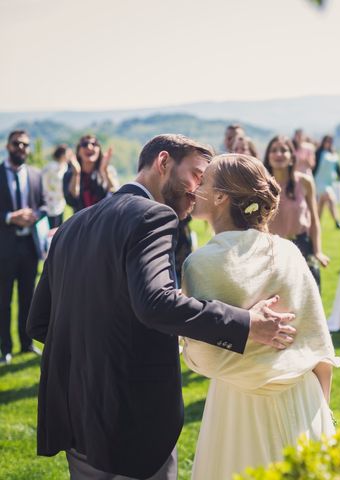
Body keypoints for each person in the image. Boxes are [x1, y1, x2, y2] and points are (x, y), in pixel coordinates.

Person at [26, 134, 297, 479]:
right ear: (164, 162)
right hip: (134, 418)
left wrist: (95, 364)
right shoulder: (152, 216)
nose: (199, 190)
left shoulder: (72, 225)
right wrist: (246, 324)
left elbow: (39, 322)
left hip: (77, 415)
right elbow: (155, 303)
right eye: (197, 174)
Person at [182, 153, 340, 480]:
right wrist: (322, 413)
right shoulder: (288, 251)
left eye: (204, 181)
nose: (195, 187)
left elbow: (201, 356)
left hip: (237, 410)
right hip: (302, 398)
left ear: (221, 197)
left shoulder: (199, 264)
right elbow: (319, 345)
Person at [0, 130, 45, 365]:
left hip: (29, 247)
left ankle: (26, 344)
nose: (22, 148)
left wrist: (34, 215)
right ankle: (4, 348)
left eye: (26, 145)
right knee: (3, 300)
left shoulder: (36, 175)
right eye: (17, 144)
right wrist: (10, 216)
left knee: (28, 298)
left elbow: (46, 205)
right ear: (8, 146)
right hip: (4, 247)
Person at [265, 135, 329, 291]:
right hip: (272, 251)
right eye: (274, 150)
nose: (279, 154)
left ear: (292, 157)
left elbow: (314, 220)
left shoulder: (305, 182)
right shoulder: (261, 186)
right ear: (267, 157)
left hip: (302, 246)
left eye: (283, 150)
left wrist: (318, 251)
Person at [63, 134, 119, 213]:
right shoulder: (69, 174)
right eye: (84, 144)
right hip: (81, 221)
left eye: (94, 144)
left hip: (103, 219)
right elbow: (71, 200)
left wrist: (105, 171)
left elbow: (117, 194)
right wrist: (76, 174)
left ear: (99, 150)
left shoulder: (108, 170)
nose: (89, 147)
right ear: (78, 151)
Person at [313, 135, 340, 229]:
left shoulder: (333, 153)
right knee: (331, 198)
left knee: (321, 204)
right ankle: (337, 221)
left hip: (329, 182)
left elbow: (337, 167)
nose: (328, 143)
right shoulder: (318, 153)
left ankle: (316, 223)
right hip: (319, 181)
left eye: (330, 141)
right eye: (327, 141)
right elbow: (313, 167)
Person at [42, 144, 70, 228]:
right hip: (50, 202)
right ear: (62, 155)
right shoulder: (50, 167)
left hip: (60, 202)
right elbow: (44, 183)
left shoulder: (65, 167)